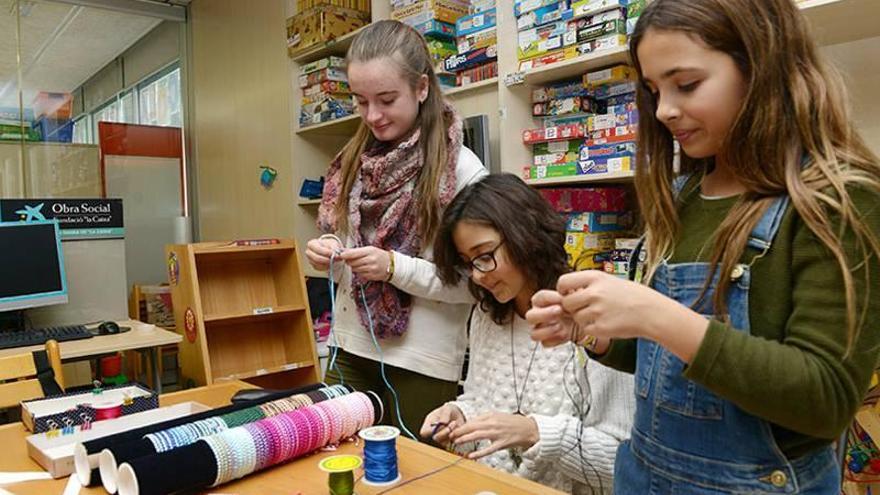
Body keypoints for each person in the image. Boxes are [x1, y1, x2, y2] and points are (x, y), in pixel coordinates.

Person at [527, 0, 880, 492]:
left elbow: (825, 400)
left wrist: (654, 314)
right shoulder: (682, 196)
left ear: (759, 65)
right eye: (652, 90)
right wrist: (595, 330)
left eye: (686, 84)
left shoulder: (836, 199)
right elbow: (663, 362)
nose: (664, 110)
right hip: (645, 475)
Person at [305, 20, 487, 436]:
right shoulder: (352, 163)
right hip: (349, 348)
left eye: (386, 99)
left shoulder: (461, 170)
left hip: (421, 364)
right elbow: (347, 267)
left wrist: (393, 267)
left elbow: (475, 283)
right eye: (360, 101)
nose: (372, 116)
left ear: (422, 88)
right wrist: (330, 252)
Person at [421, 174, 634, 494]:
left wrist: (537, 432)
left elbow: (620, 463)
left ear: (524, 235)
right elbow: (481, 398)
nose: (478, 276)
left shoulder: (593, 319)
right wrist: (460, 415)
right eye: (468, 263)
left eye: (484, 256)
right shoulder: (486, 315)